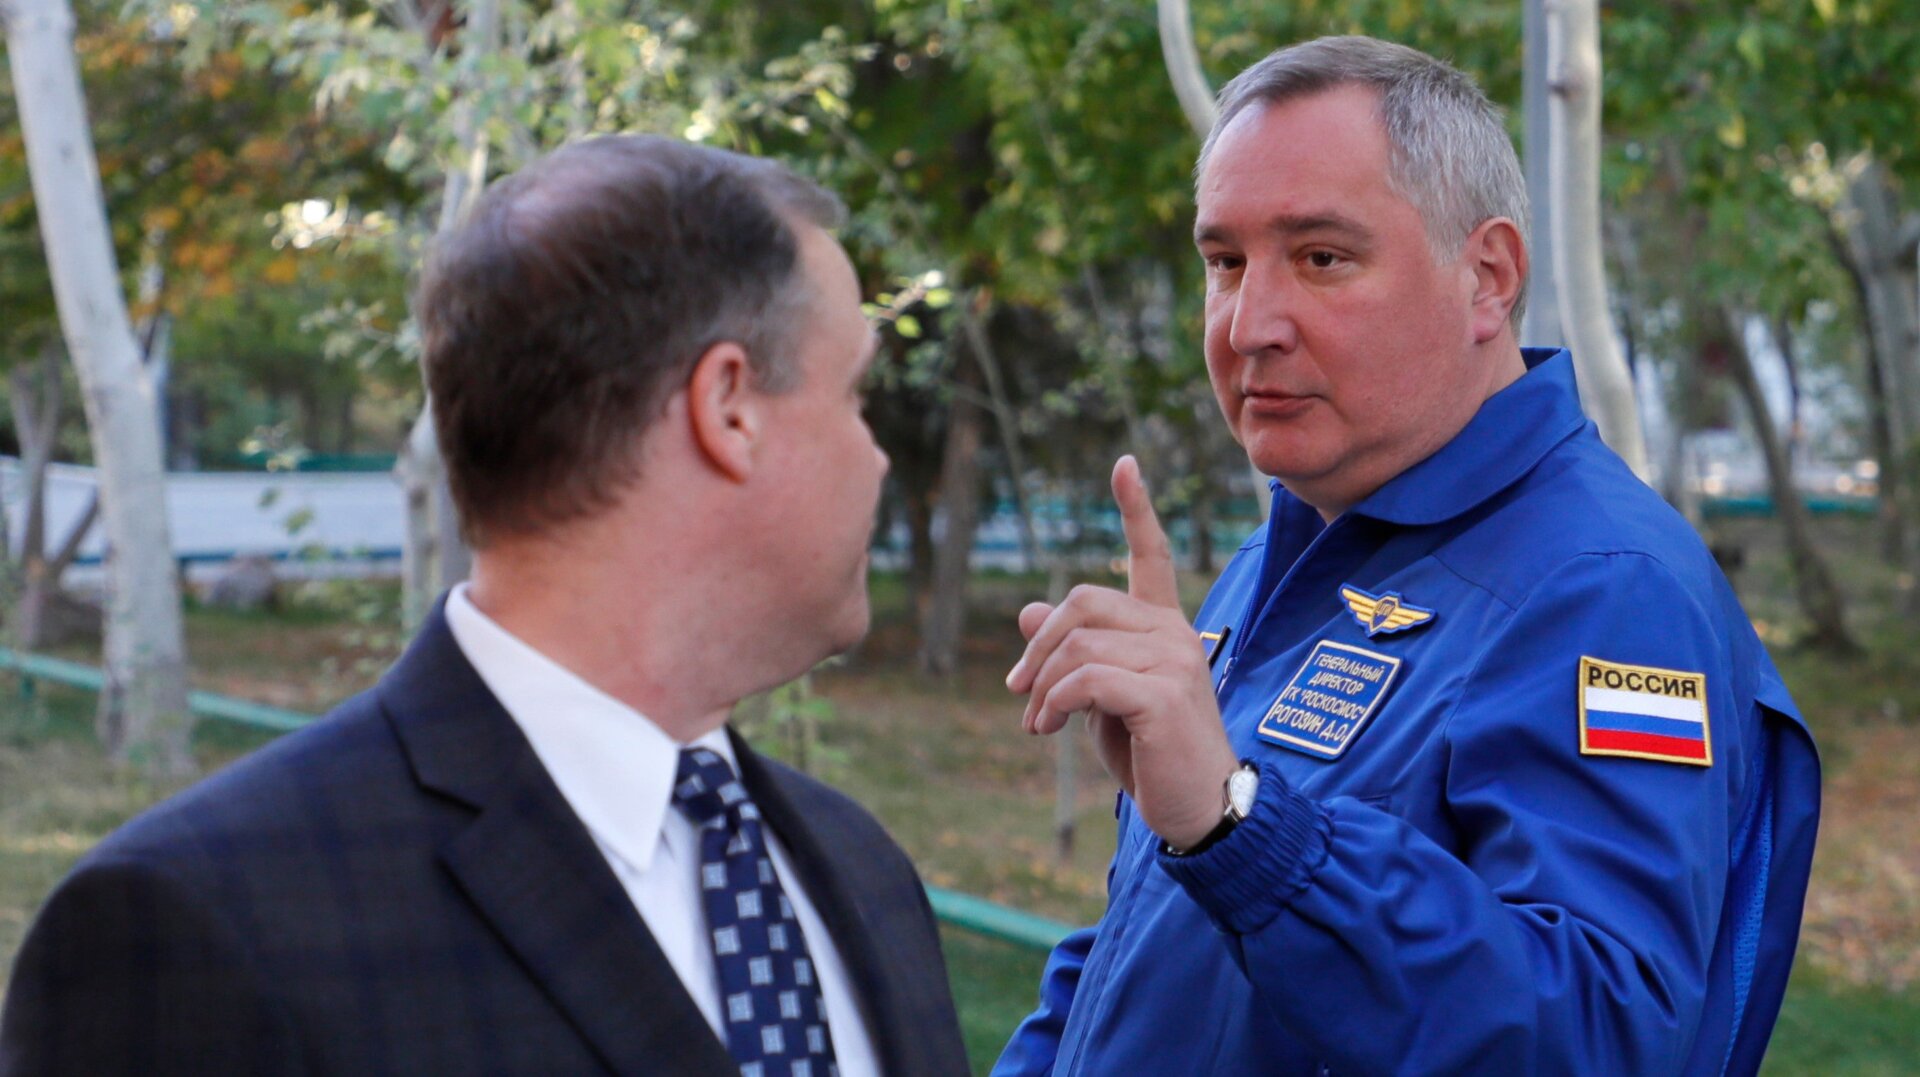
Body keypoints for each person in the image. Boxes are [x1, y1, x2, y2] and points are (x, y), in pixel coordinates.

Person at [1, 136, 969, 1076]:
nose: (877, 456)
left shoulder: (860, 869)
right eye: (855, 396)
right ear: (728, 408)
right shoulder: (197, 927)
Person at [995, 36, 1818, 1076]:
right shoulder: (1292, 548)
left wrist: (1239, 826)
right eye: (1225, 263)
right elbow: (1150, 947)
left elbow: (1598, 1036)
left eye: (1321, 258)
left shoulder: (1609, 589)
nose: (1249, 325)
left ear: (1488, 278)